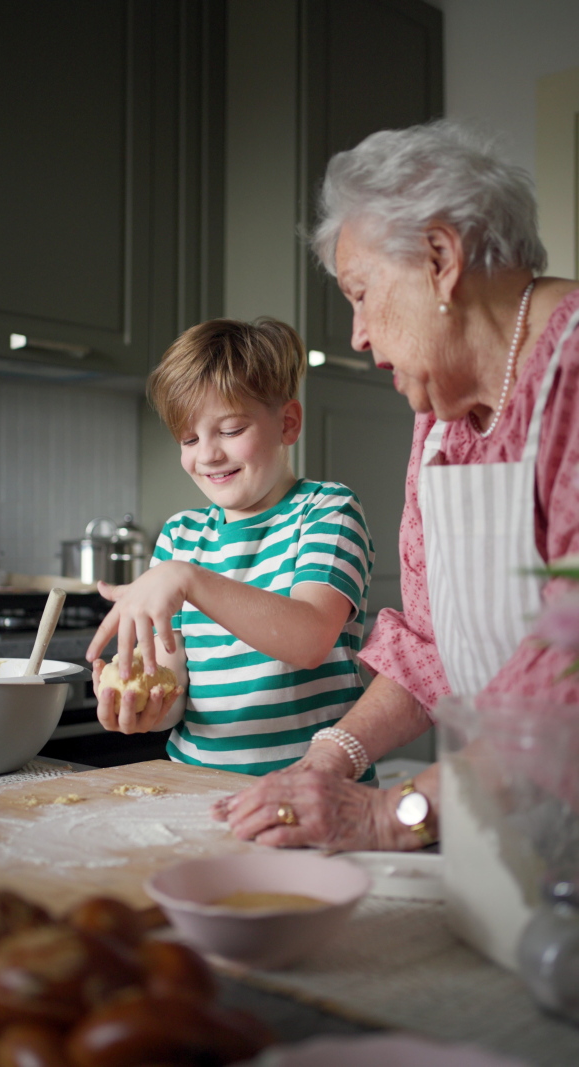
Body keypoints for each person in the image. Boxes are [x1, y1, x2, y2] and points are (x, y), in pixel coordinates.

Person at [211, 120, 579, 851]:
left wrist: (387, 813)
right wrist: (328, 759)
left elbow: (567, 677)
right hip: (512, 834)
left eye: (360, 293)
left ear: (441, 258)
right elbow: (432, 643)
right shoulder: (441, 417)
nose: (356, 334)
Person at [86, 317, 375, 779]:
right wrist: (149, 708)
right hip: (198, 788)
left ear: (288, 423)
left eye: (231, 429)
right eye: (189, 438)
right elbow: (176, 681)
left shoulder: (326, 510)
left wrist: (187, 579)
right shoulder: (180, 536)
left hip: (315, 792)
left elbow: (310, 640)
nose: (207, 455)